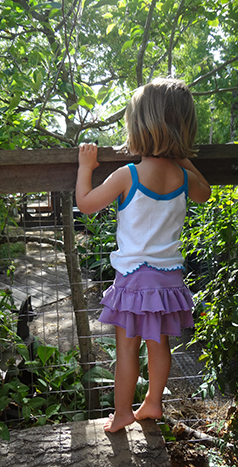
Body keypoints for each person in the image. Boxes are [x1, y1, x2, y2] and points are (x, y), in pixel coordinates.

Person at [75, 78, 211, 433]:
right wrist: (180, 155)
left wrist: (84, 168)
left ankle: (122, 412)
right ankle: (153, 402)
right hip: (167, 282)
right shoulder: (182, 176)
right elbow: (206, 192)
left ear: (140, 126)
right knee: (159, 344)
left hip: (134, 280)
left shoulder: (127, 175)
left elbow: (86, 205)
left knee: (127, 349)